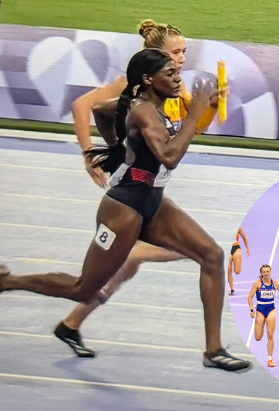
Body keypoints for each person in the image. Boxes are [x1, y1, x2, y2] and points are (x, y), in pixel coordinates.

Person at [0, 49, 250, 371]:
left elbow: (102, 112)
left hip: (154, 202)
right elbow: (169, 156)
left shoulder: (146, 105)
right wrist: (192, 116)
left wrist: (117, 148)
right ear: (148, 79)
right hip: (125, 208)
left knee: (212, 256)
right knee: (83, 289)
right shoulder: (143, 111)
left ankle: (213, 350)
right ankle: (9, 282)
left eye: (177, 72)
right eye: (170, 73)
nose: (178, 78)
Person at [54, 19, 223, 357]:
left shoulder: (173, 87)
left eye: (184, 52)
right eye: (176, 53)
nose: (182, 59)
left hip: (153, 189)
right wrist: (94, 153)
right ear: (156, 56)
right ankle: (64, 309)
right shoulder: (130, 87)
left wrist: (210, 109)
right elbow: (84, 106)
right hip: (128, 188)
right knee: (152, 255)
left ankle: (72, 323)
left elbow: (190, 129)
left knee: (132, 262)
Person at [247, 265, 279, 368]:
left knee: (270, 335)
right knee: (258, 337)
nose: (266, 273)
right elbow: (250, 297)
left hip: (271, 310)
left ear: (270, 272)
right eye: (264, 272)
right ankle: (262, 325)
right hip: (260, 311)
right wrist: (251, 310)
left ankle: (270, 358)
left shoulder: (275, 284)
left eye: (267, 271)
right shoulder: (257, 283)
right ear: (261, 273)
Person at [229, 227, 249, 296]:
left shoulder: (238, 228)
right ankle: (232, 289)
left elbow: (244, 237)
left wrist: (247, 249)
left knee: (237, 271)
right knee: (229, 270)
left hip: (236, 248)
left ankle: (239, 264)